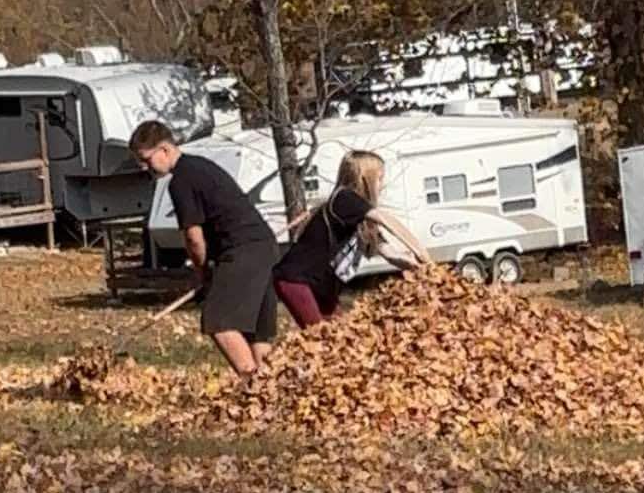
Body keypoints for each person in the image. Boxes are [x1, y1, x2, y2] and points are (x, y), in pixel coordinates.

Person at [129, 120, 278, 381]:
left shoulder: (181, 181)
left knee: (219, 321)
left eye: (146, 159)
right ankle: (275, 385)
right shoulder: (200, 166)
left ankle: (254, 385)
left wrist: (201, 272)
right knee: (257, 329)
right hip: (263, 245)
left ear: (164, 149)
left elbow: (193, 237)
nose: (144, 167)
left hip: (242, 249)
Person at [273, 149, 428, 328]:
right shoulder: (343, 199)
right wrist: (420, 250)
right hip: (296, 280)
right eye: (380, 178)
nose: (382, 185)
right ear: (365, 178)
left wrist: (413, 265)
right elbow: (385, 219)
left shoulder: (362, 219)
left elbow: (389, 253)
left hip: (323, 287)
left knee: (344, 332)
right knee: (320, 335)